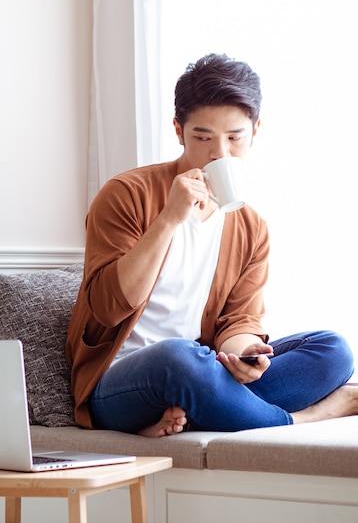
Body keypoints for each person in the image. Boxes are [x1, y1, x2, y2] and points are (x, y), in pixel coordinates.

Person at [66, 53, 357, 437]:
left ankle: (203, 406)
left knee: (331, 350)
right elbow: (107, 308)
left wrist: (245, 353)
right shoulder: (126, 194)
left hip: (201, 371)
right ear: (178, 130)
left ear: (256, 130)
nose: (220, 153)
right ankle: (304, 417)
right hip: (121, 383)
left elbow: (238, 320)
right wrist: (169, 218)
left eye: (235, 138)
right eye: (202, 137)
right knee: (178, 358)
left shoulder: (250, 226)